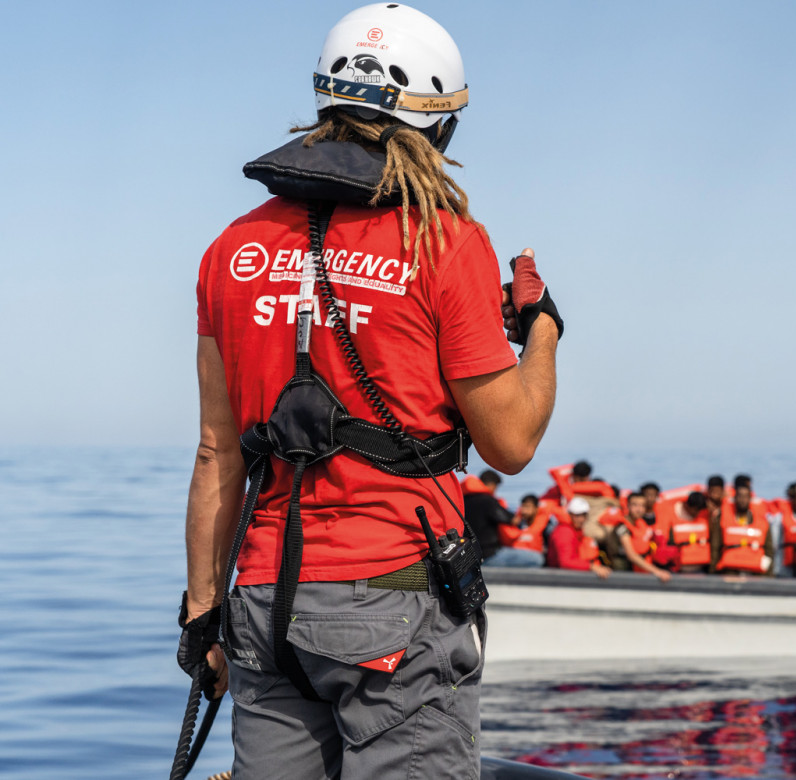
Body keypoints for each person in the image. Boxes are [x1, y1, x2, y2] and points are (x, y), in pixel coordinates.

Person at [179, 6, 562, 778]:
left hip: (262, 604)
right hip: (392, 594)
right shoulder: (445, 241)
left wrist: (200, 617)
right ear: (436, 126)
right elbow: (511, 444)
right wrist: (543, 326)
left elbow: (217, 450)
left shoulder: (231, 248)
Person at [606, 493, 671, 582]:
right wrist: (657, 571)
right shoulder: (622, 527)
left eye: (642, 506)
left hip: (640, 569)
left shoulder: (641, 524)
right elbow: (631, 555)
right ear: (628, 506)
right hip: (624, 572)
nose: (639, 509)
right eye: (635, 505)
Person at [712, 483, 775, 575]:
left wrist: (768, 573)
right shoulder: (723, 518)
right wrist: (713, 571)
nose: (742, 500)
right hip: (730, 570)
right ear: (735, 498)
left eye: (746, 497)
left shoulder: (762, 521)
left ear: (750, 499)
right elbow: (715, 547)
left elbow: (769, 549)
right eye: (740, 496)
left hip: (755, 572)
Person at [548, 497, 611, 579]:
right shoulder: (564, 532)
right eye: (577, 515)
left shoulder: (576, 532)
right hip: (559, 578)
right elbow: (565, 562)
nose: (581, 519)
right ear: (569, 514)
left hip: (570, 575)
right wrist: (592, 567)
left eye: (584, 515)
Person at [462, 469, 512, 565]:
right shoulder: (488, 501)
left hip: (469, 556)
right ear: (491, 484)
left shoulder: (462, 500)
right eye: (495, 487)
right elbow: (510, 519)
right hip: (489, 555)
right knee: (536, 559)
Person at [658, 491, 712, 573]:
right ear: (687, 505)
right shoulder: (671, 514)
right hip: (680, 569)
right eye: (695, 510)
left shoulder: (704, 515)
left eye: (699, 510)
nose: (697, 513)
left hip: (702, 568)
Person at [491, 494, 548, 568]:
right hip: (518, 558)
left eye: (527, 507)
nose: (524, 510)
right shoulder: (516, 524)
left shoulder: (546, 527)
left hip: (537, 561)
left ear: (536, 509)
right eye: (522, 506)